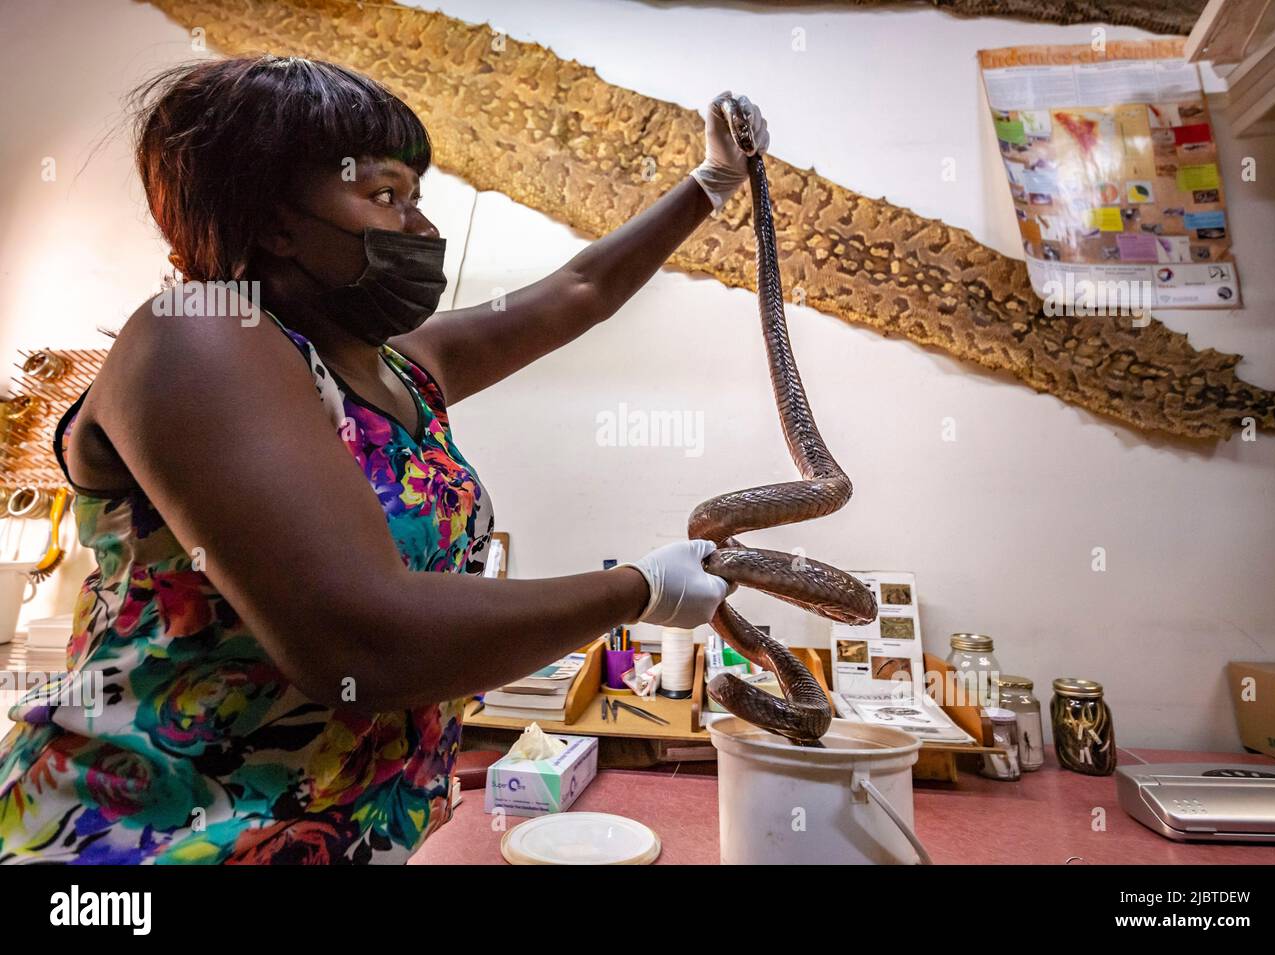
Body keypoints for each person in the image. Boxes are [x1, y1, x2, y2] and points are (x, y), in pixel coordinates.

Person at [0, 56, 769, 864]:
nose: (423, 230)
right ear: (273, 219)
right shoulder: (199, 334)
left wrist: (711, 184)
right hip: (142, 845)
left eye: (418, 198)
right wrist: (637, 590)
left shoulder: (393, 367)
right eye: (384, 197)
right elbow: (363, 639)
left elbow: (578, 288)